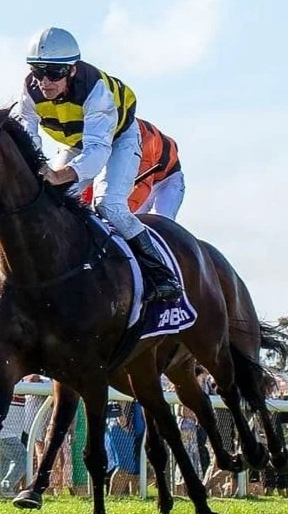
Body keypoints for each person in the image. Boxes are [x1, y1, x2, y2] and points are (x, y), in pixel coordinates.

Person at [13, 26, 181, 305]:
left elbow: (97, 151)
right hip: (75, 142)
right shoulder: (30, 88)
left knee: (109, 205)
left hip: (117, 141)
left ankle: (162, 276)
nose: (45, 81)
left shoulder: (96, 91)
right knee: (48, 200)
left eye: (54, 73)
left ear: (72, 70)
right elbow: (26, 133)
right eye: (37, 70)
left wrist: (60, 174)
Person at [126, 118, 185, 219]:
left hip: (167, 180)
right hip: (141, 181)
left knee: (162, 218)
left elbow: (142, 185)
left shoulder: (146, 139)